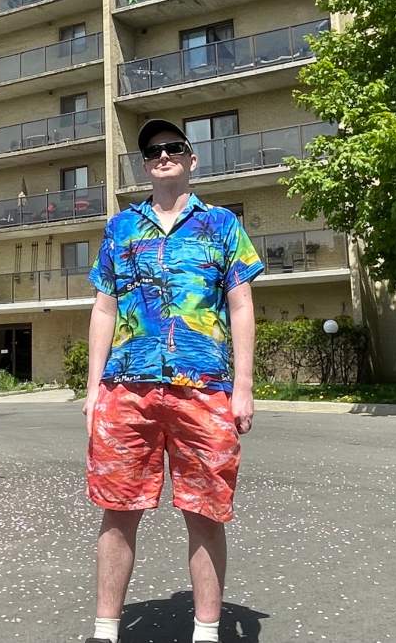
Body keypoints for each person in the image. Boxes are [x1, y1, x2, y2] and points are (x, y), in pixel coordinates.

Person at [82, 118, 263, 643]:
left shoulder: (223, 225)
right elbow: (104, 305)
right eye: (153, 151)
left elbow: (241, 303)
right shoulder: (121, 228)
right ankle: (105, 630)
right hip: (126, 387)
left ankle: (206, 631)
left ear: (191, 159)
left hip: (203, 387)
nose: (163, 155)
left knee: (205, 512)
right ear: (145, 165)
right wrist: (93, 390)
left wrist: (244, 387)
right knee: (118, 511)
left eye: (173, 148)